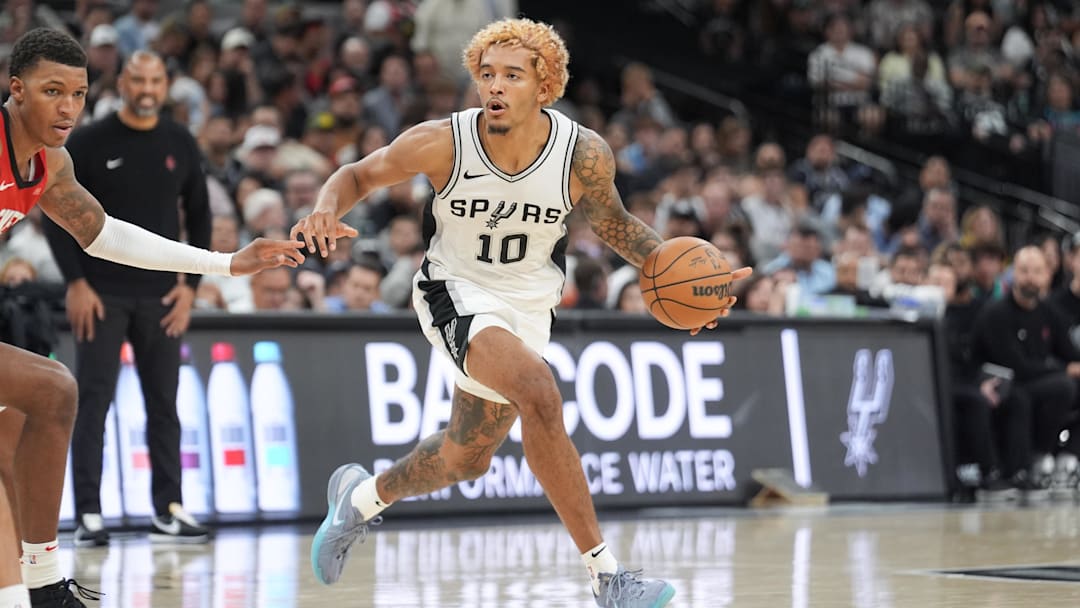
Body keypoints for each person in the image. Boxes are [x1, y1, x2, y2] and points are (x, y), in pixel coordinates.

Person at [293, 19, 750, 607]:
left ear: (545, 84)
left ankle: (359, 499)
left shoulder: (582, 153)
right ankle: (608, 578)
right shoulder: (443, 141)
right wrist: (325, 207)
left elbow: (614, 225)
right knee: (539, 391)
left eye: (513, 75)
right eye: (487, 74)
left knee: (467, 457)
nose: (496, 87)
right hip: (453, 290)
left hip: (529, 304)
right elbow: (358, 173)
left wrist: (695, 286)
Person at [0, 28, 303, 608]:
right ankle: (35, 591)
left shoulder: (50, 164)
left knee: (18, 426)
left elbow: (105, 234)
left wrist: (226, 264)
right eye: (51, 91)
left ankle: (35, 584)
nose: (67, 108)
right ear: (17, 90)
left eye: (79, 94)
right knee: (56, 389)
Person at [42, 50, 211, 548]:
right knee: (93, 400)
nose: (146, 88)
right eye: (138, 79)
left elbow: (198, 216)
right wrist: (76, 282)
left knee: (165, 403)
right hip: (101, 292)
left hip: (161, 295)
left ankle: (169, 509)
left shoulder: (180, 141)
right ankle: (89, 513)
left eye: (156, 80)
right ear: (122, 81)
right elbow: (56, 213)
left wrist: (190, 286)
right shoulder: (90, 140)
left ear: (166, 84)